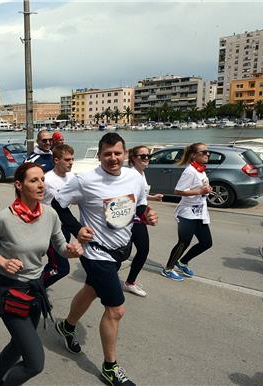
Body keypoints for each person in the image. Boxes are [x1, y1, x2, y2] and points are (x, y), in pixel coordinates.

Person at [0, 163, 83, 386]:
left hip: (36, 291)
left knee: (18, 345)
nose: (41, 185)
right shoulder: (4, 218)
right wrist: (1, 261)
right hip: (10, 292)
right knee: (35, 363)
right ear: (19, 185)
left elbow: (62, 248)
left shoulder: (51, 215)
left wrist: (73, 250)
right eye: (33, 180)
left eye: (42, 180)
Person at [52, 133, 158, 386]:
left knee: (91, 290)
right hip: (95, 252)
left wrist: (147, 215)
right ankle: (110, 367)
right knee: (116, 309)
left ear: (125, 154)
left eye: (117, 153)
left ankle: (67, 326)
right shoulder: (85, 180)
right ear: (99, 156)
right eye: (107, 154)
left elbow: (139, 205)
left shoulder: (134, 177)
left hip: (120, 249)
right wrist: (77, 228)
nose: (113, 158)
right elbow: (58, 204)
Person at [161, 143, 213, 281]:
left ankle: (182, 262)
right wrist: (200, 191)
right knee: (184, 242)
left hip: (200, 212)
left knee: (206, 242)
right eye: (204, 152)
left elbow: (198, 187)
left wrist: (206, 189)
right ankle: (168, 268)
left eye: (208, 152)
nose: (208, 154)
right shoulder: (190, 171)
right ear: (193, 155)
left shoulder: (200, 170)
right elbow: (178, 191)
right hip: (187, 212)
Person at [121, 146, 163, 297]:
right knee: (125, 252)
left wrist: (151, 197)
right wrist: (144, 212)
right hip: (131, 219)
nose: (147, 159)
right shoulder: (131, 175)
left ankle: (129, 282)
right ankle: (115, 279)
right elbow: (125, 198)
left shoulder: (141, 173)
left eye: (148, 156)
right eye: (143, 156)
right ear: (133, 158)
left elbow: (140, 195)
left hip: (138, 218)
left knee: (139, 250)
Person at [41, 144, 75, 288]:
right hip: (49, 230)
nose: (71, 162)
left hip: (65, 228)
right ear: (56, 160)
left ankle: (35, 289)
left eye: (72, 159)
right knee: (61, 268)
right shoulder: (46, 180)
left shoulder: (73, 178)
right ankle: (32, 291)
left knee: (54, 264)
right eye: (67, 159)